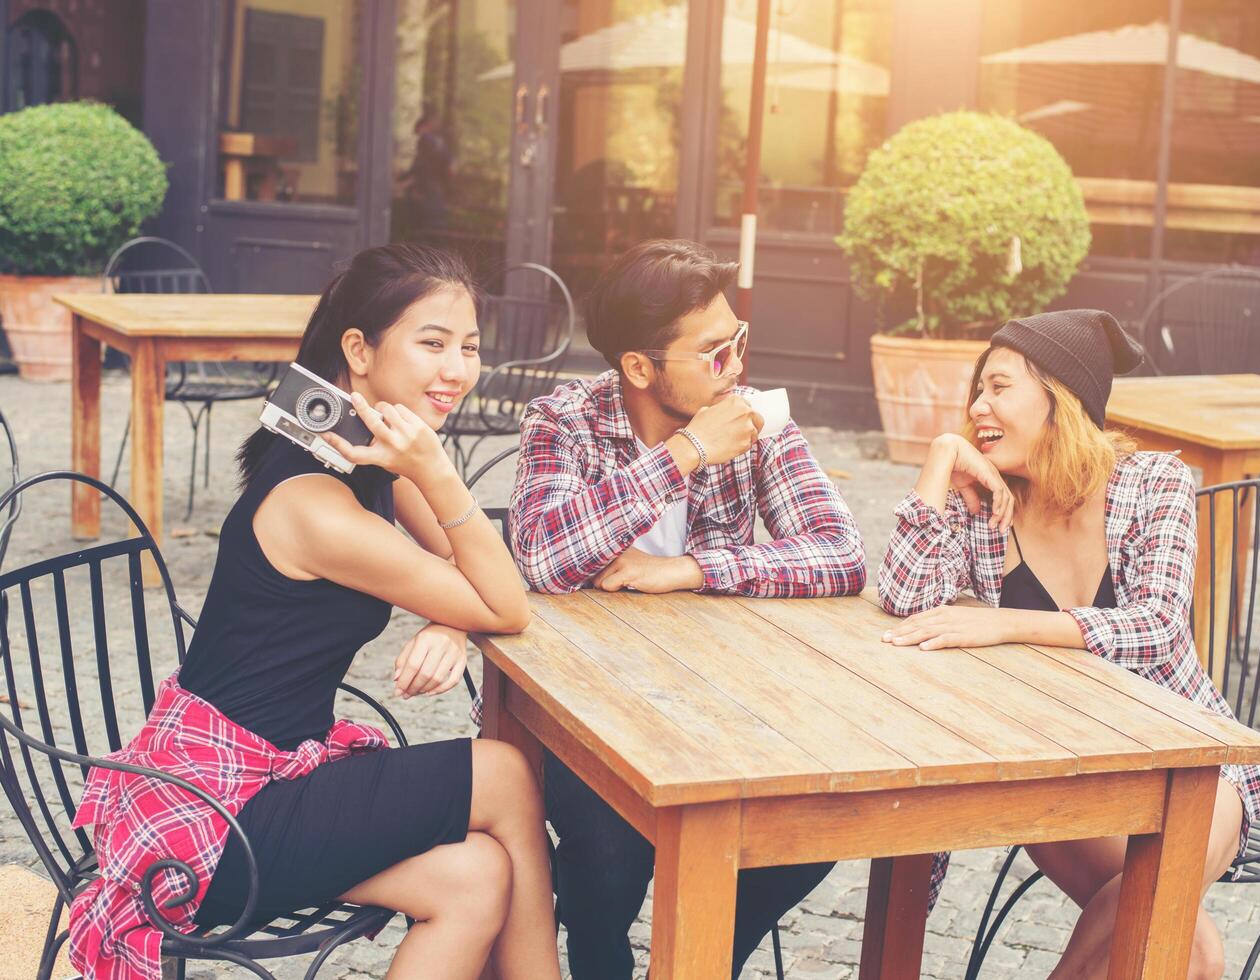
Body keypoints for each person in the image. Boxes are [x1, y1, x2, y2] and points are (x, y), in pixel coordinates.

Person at [68, 244, 559, 980]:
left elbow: (486, 583)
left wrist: (450, 616)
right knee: (503, 774)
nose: (456, 370)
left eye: (469, 347)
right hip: (218, 812)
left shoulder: (356, 454)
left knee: (475, 876)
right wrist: (435, 472)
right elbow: (508, 604)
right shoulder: (316, 504)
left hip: (269, 774)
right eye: (432, 343)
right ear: (358, 350)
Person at [877, 309, 1260, 980]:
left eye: (998, 387)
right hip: (1058, 771)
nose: (978, 405)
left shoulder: (1152, 484)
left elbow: (1159, 626)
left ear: (1060, 398)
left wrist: (1005, 623)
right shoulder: (985, 508)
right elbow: (906, 599)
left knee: (1167, 928)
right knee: (1190, 950)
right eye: (976, 391)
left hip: (1189, 765)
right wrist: (941, 458)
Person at [506, 238, 867, 977]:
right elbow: (540, 554)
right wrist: (684, 455)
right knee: (607, 850)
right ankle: (598, 956)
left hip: (715, 698)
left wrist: (693, 568)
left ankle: (703, 956)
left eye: (736, 341)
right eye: (712, 353)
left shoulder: (747, 414)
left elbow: (839, 552)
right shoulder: (565, 420)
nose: (734, 367)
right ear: (639, 368)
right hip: (588, 699)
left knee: (820, 823)